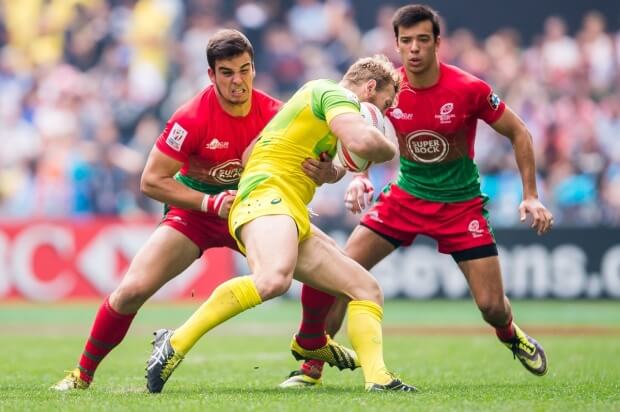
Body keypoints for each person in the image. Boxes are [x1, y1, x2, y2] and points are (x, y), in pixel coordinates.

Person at [280, 4, 553, 388]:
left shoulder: (468, 88)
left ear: (438, 42)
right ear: (396, 44)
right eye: (406, 41)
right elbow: (363, 128)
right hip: (405, 197)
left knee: (491, 306)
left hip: (460, 205)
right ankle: (311, 367)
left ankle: (509, 332)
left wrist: (531, 195)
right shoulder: (390, 88)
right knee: (339, 276)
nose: (414, 49)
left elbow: (519, 131)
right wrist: (360, 177)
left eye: (422, 40)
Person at [145, 55, 417, 393]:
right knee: (273, 279)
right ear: (370, 88)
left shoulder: (313, 104)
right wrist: (391, 145)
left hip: (287, 206)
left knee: (365, 288)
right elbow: (364, 143)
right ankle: (174, 343)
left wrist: (329, 172)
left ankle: (377, 378)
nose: (386, 112)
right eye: (386, 104)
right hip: (267, 197)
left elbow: (249, 155)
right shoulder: (334, 94)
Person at [50, 29, 284, 391]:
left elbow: (313, 167)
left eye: (245, 69)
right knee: (131, 290)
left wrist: (328, 171)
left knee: (327, 267)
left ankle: (312, 364)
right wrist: (209, 203)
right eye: (227, 72)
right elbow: (151, 181)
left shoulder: (276, 114)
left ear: (254, 68)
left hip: (251, 212)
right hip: (194, 213)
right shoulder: (190, 117)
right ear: (211, 75)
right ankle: (81, 375)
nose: (238, 81)